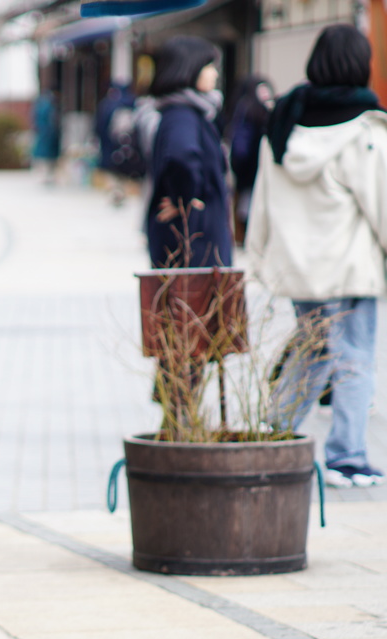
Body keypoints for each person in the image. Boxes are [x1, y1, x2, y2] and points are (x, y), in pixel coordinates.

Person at [246, 23, 386, 488]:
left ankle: (275, 427)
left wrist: (259, 255)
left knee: (314, 350)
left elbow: (262, 196)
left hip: (298, 268)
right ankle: (347, 458)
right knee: (353, 358)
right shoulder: (364, 128)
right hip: (347, 269)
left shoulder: (283, 122)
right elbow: (382, 204)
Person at [146, 36, 232, 268]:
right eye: (210, 67)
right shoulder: (182, 114)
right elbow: (181, 155)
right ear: (189, 68)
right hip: (194, 238)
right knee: (196, 301)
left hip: (194, 235)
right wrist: (184, 199)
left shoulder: (184, 111)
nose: (215, 74)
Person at [225, 75, 275, 245]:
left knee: (248, 205)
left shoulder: (244, 109)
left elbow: (240, 146)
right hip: (256, 168)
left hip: (249, 170)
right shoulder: (254, 110)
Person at [31, 90, 61, 184]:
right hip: (48, 135)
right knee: (47, 157)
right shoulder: (49, 107)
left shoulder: (40, 105)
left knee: (44, 156)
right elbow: (52, 121)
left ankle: (46, 176)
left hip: (43, 134)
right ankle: (47, 176)